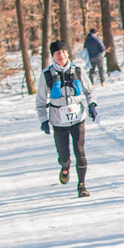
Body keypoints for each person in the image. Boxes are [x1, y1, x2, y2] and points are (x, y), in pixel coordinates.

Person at [35, 40, 97, 198]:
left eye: (63, 52)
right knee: (64, 156)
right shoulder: (46, 74)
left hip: (78, 118)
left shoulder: (77, 70)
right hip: (58, 121)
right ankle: (65, 166)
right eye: (57, 53)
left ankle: (81, 186)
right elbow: (41, 101)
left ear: (67, 53)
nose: (61, 55)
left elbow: (89, 90)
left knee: (80, 152)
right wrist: (43, 120)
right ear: (53, 56)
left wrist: (92, 105)